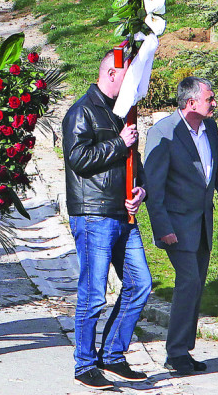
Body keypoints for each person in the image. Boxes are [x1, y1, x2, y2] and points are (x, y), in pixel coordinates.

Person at [144, 77, 218, 377]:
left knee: (196, 286)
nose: (215, 103)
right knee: (188, 282)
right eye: (210, 99)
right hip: (175, 225)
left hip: (202, 224)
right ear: (190, 103)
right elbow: (154, 186)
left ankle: (182, 352)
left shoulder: (210, 128)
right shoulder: (164, 133)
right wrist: (162, 227)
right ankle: (175, 353)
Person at [63, 52, 151, 390]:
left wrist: (140, 188)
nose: (133, 85)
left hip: (123, 213)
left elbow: (133, 160)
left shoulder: (122, 111)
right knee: (93, 292)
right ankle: (84, 363)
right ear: (112, 74)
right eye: (127, 77)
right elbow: (78, 159)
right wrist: (119, 142)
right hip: (93, 214)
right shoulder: (81, 112)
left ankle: (112, 354)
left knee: (140, 284)